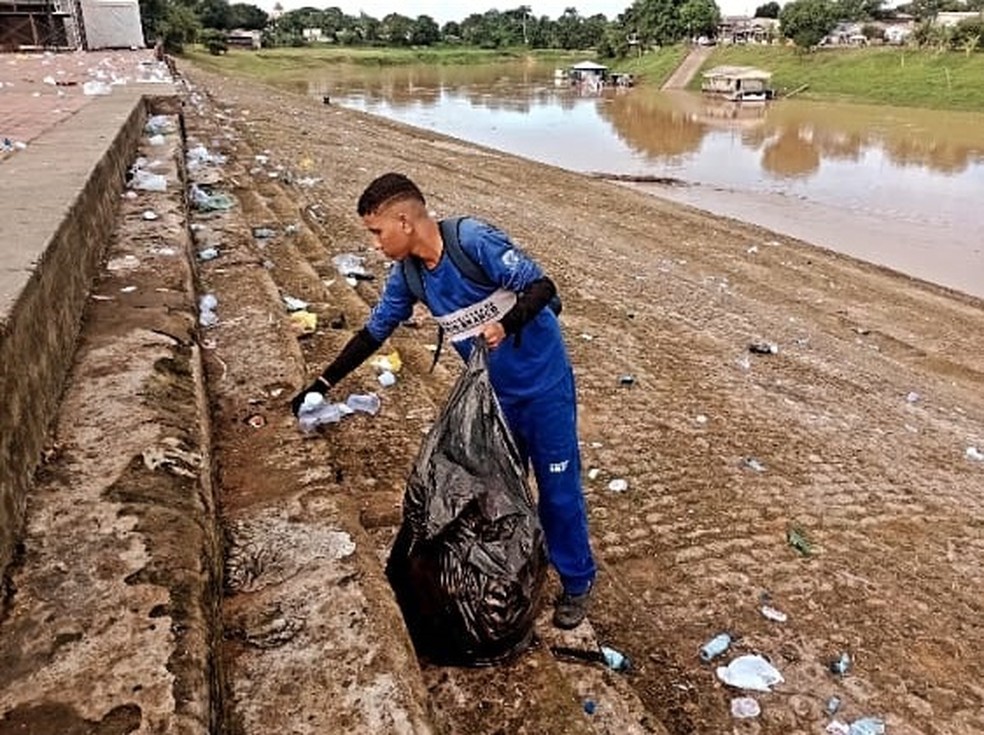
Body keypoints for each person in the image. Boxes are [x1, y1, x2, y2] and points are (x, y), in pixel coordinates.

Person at [292, 172, 596, 629]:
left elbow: (542, 287)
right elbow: (375, 331)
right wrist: (321, 382)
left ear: (404, 221)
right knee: (498, 491)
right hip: (491, 398)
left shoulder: (473, 241)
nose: (374, 244)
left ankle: (577, 581)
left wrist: (506, 325)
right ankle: (515, 566)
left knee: (558, 490)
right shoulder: (409, 276)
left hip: (544, 387)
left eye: (377, 232)